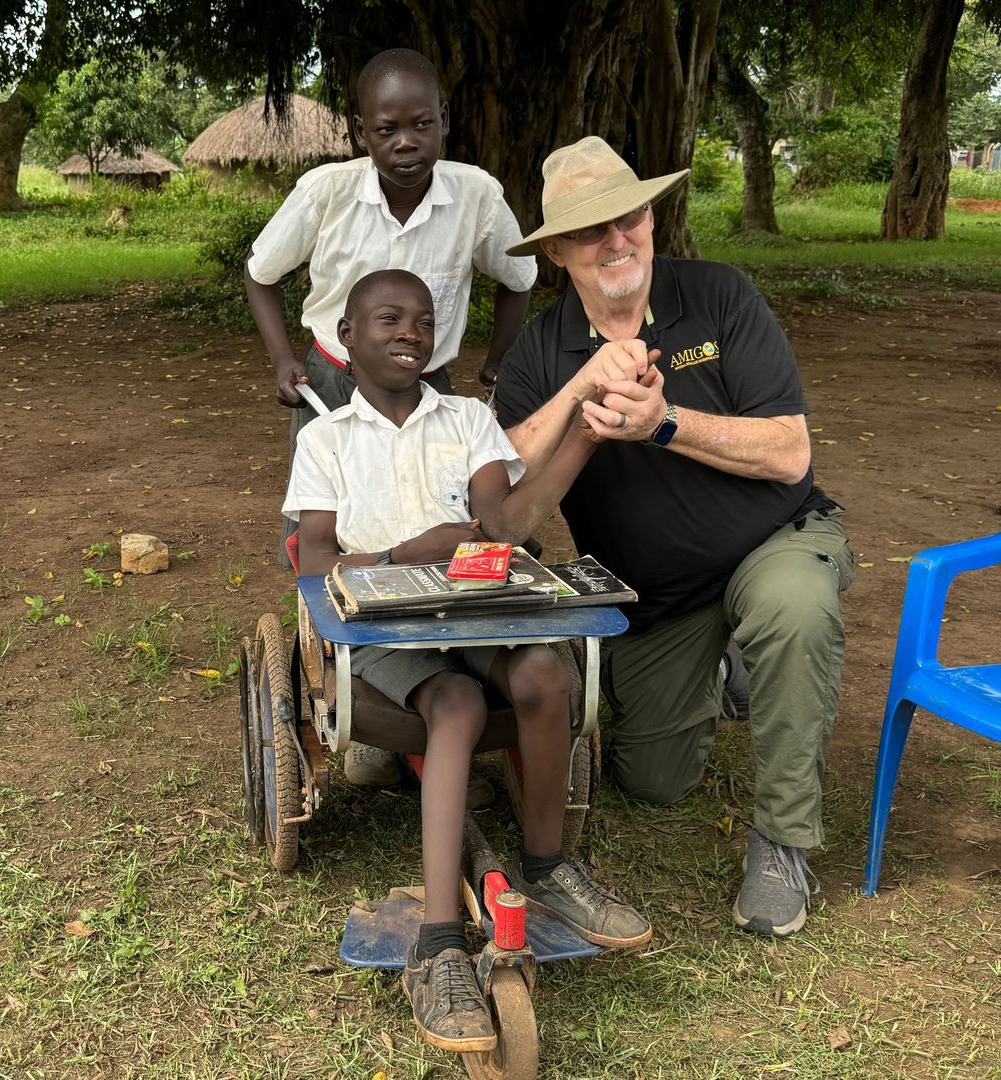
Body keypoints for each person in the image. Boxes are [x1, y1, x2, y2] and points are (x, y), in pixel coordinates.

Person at [490, 137, 855, 940]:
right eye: (592, 231)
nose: (617, 240)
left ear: (651, 217)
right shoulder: (540, 353)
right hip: (661, 600)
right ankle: (725, 667)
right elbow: (503, 508)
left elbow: (792, 450)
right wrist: (582, 397)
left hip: (775, 536)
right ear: (556, 252)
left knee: (792, 608)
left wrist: (665, 424)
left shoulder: (720, 296)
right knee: (652, 783)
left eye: (629, 218)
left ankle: (783, 840)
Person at [284, 269, 649, 1053]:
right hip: (387, 638)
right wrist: (399, 554)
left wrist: (582, 434)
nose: (410, 332)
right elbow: (315, 561)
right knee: (456, 704)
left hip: (475, 615)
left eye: (424, 320)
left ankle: (547, 870)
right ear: (347, 339)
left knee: (549, 671)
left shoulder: (469, 421)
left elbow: (507, 519)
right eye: (388, 319)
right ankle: (439, 941)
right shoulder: (326, 441)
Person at [245, 48, 535, 554]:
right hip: (330, 382)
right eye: (386, 131)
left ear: (443, 120)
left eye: (422, 124)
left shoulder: (477, 197)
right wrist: (281, 360)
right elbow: (260, 273)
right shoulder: (325, 192)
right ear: (361, 132)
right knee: (326, 530)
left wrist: (497, 361)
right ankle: (328, 628)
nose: (406, 143)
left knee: (441, 515)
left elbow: (519, 275)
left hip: (427, 384)